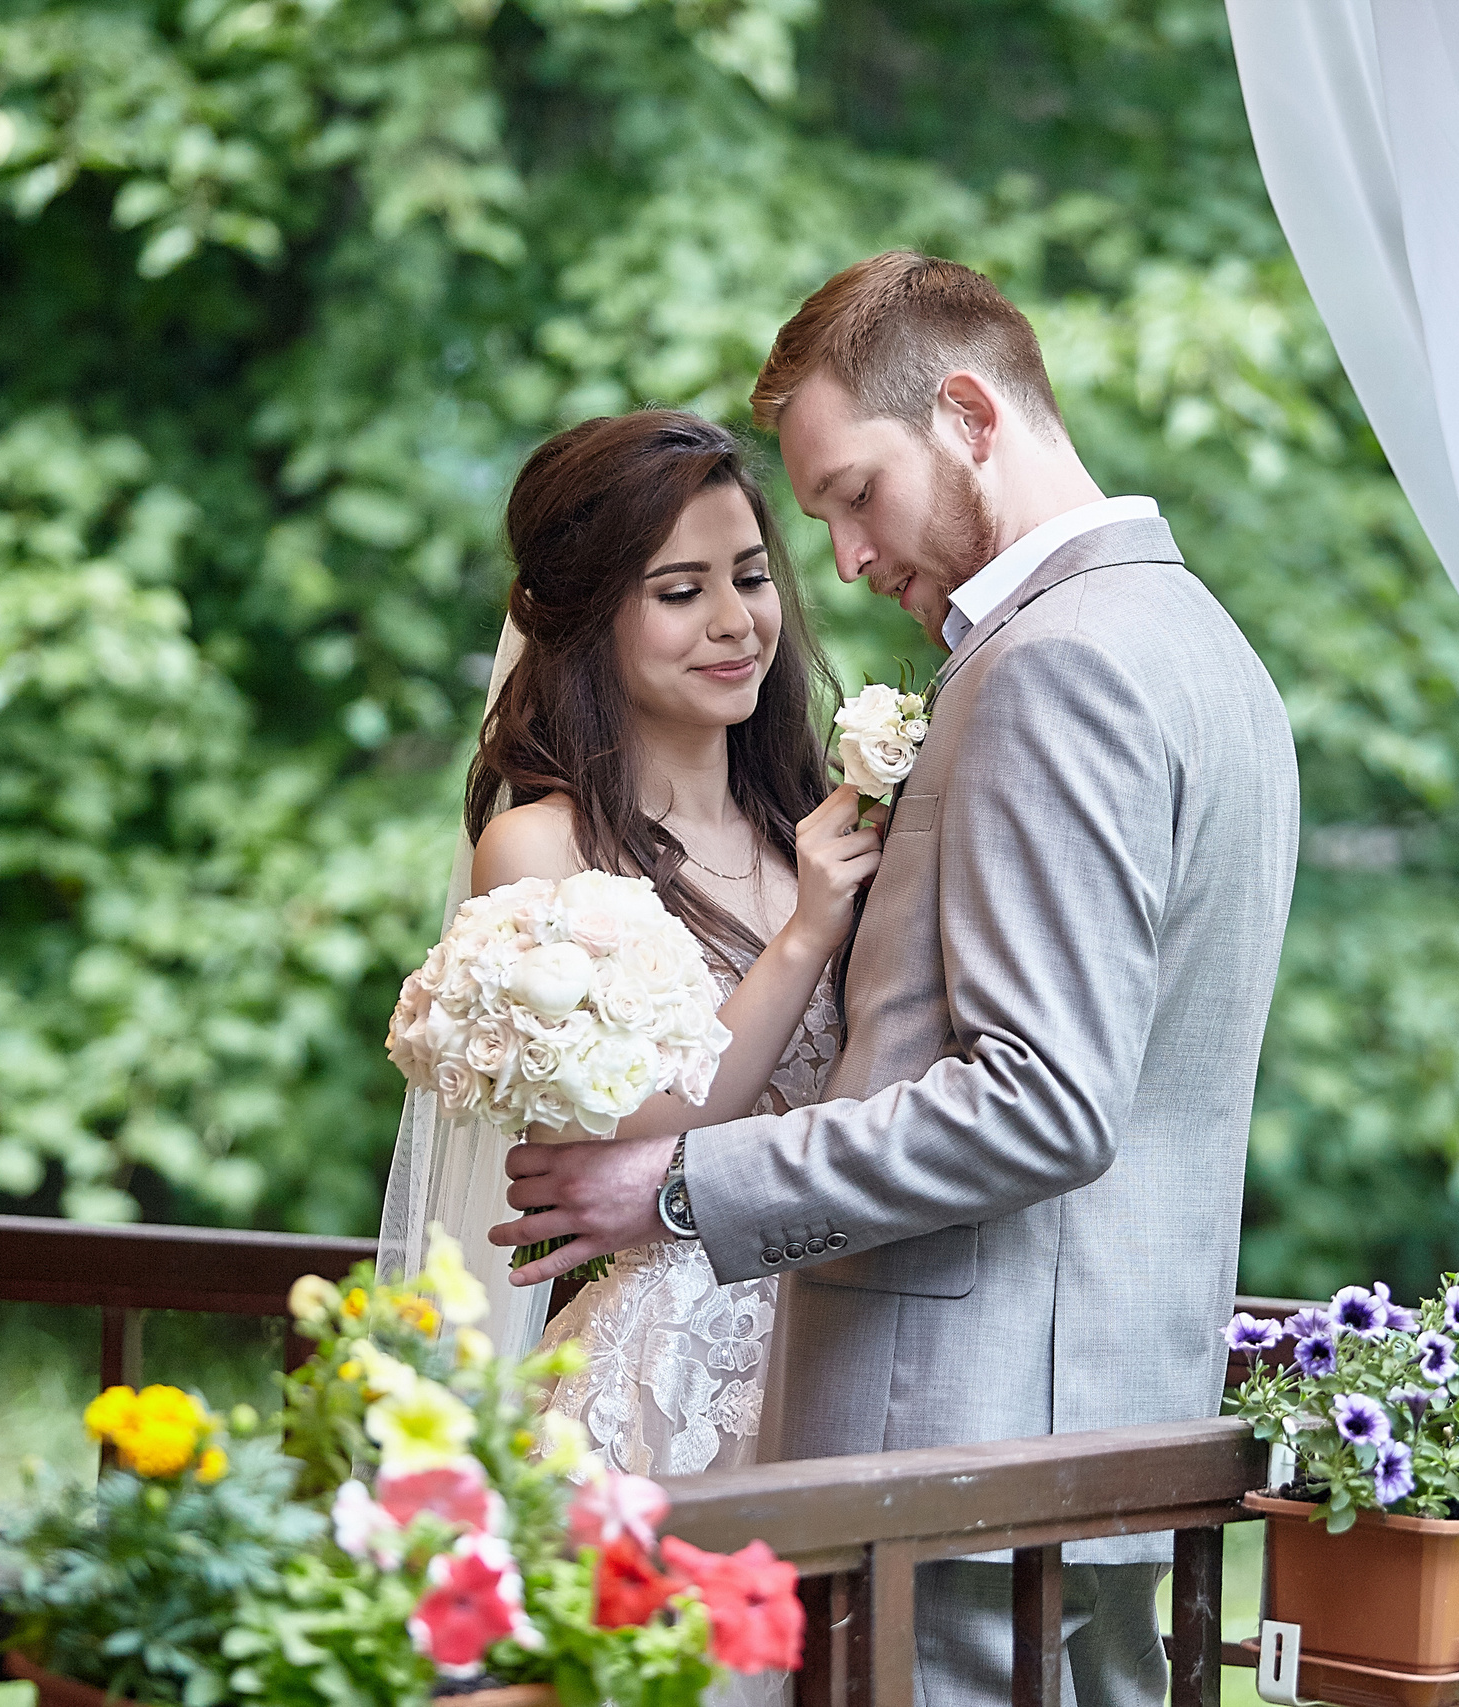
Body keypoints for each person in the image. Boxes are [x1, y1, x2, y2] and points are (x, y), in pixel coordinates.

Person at [493, 253, 1300, 1707]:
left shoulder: (1056, 667)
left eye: (856, 494)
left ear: (970, 413)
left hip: (963, 1444)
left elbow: (1044, 1100)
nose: (847, 561)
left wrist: (678, 1181)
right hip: (1106, 1425)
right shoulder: (1206, 647)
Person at [426, 408, 881, 1477]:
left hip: (850, 1346)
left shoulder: (817, 821)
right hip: (665, 1385)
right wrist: (807, 933)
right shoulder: (539, 850)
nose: (735, 622)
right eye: (681, 592)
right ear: (586, 617)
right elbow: (631, 1132)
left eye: (752, 576)